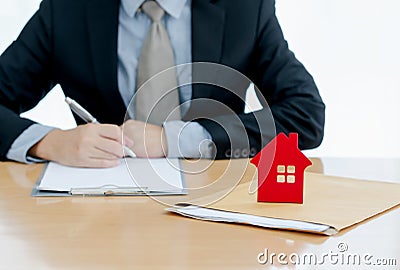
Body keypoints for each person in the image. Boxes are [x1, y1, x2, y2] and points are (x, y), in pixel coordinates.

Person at [0, 0, 325, 167]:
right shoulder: (67, 10)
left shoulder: (243, 8)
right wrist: (48, 143)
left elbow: (305, 115)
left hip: (214, 207)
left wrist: (175, 140)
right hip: (100, 212)